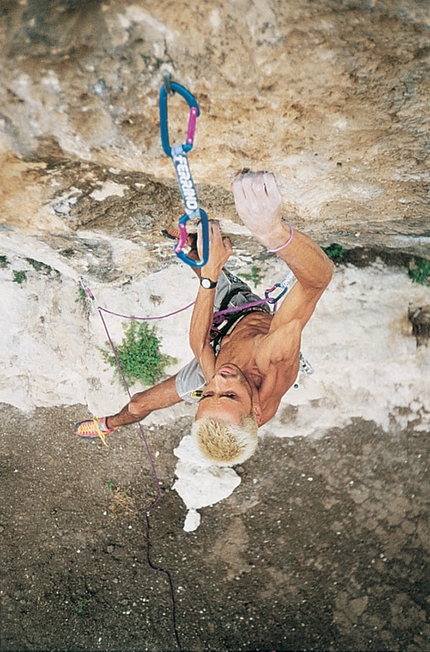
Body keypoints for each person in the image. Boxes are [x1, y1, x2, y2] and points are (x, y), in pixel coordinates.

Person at [75, 171, 333, 465]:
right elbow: (317, 280)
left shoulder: (222, 394)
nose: (219, 383)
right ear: (256, 413)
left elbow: (200, 347)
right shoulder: (273, 360)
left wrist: (209, 280)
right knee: (203, 261)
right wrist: (271, 232)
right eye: (229, 396)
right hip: (242, 311)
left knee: (138, 404)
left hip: (222, 343)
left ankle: (109, 425)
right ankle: (195, 247)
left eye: (207, 396)